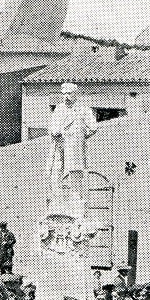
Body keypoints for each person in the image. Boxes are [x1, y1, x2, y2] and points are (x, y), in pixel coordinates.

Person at [47, 82, 98, 217]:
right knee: (56, 170)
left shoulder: (83, 109)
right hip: (59, 144)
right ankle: (56, 197)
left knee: (74, 171)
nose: (66, 97)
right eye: (64, 94)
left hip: (74, 145)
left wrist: (81, 136)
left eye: (69, 93)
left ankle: (76, 198)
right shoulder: (58, 109)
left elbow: (93, 127)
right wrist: (55, 131)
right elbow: (52, 126)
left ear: (75, 94)